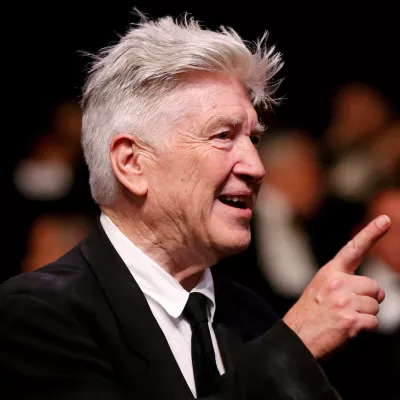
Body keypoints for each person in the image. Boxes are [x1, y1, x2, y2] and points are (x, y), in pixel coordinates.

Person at [0, 12, 391, 400]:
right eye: (223, 136)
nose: (256, 167)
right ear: (132, 163)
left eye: (252, 139)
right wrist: (292, 350)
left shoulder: (253, 316)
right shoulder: (38, 314)